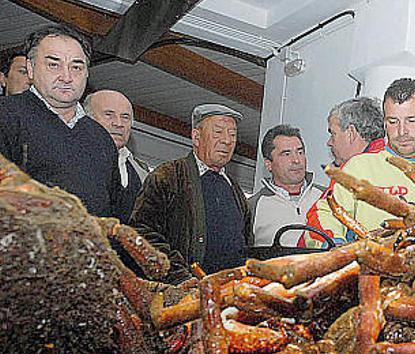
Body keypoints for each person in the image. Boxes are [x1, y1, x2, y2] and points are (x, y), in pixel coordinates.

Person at [307, 78, 415, 244]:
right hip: (371, 265)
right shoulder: (358, 167)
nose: (402, 131)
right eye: (393, 121)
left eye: (412, 120)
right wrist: (335, 246)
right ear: (385, 123)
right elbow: (323, 212)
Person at [0, 25, 118, 217]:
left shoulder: (101, 139)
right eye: (54, 65)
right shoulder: (6, 116)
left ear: (87, 73)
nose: (67, 77)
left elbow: (112, 212)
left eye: (76, 67)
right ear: (31, 68)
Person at [131, 104, 253, 282]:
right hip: (181, 293)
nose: (227, 140)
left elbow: (246, 244)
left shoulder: (236, 190)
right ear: (196, 137)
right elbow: (143, 233)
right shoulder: (168, 176)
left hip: (228, 295)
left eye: (232, 134)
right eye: (218, 132)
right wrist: (181, 279)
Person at [249, 125, 326, 248]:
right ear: (269, 164)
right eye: (286, 154)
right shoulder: (252, 207)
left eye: (300, 152)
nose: (296, 160)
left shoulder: (327, 196)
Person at [84, 89, 151, 222]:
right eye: (109, 115)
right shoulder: (69, 162)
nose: (118, 124)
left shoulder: (143, 173)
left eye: (125, 117)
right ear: (87, 120)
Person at [325, 96, 385, 168]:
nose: (329, 143)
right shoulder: (386, 162)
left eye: (333, 134)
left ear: (351, 133)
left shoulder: (358, 172)